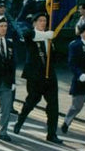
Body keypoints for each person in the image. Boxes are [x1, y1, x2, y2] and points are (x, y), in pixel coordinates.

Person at [13, 12, 61, 143]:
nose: (43, 23)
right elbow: (28, 36)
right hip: (35, 76)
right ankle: (20, 121)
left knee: (53, 105)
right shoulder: (31, 34)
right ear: (34, 23)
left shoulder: (49, 38)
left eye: (45, 21)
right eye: (40, 21)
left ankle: (52, 134)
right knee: (31, 101)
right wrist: (46, 35)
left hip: (50, 76)